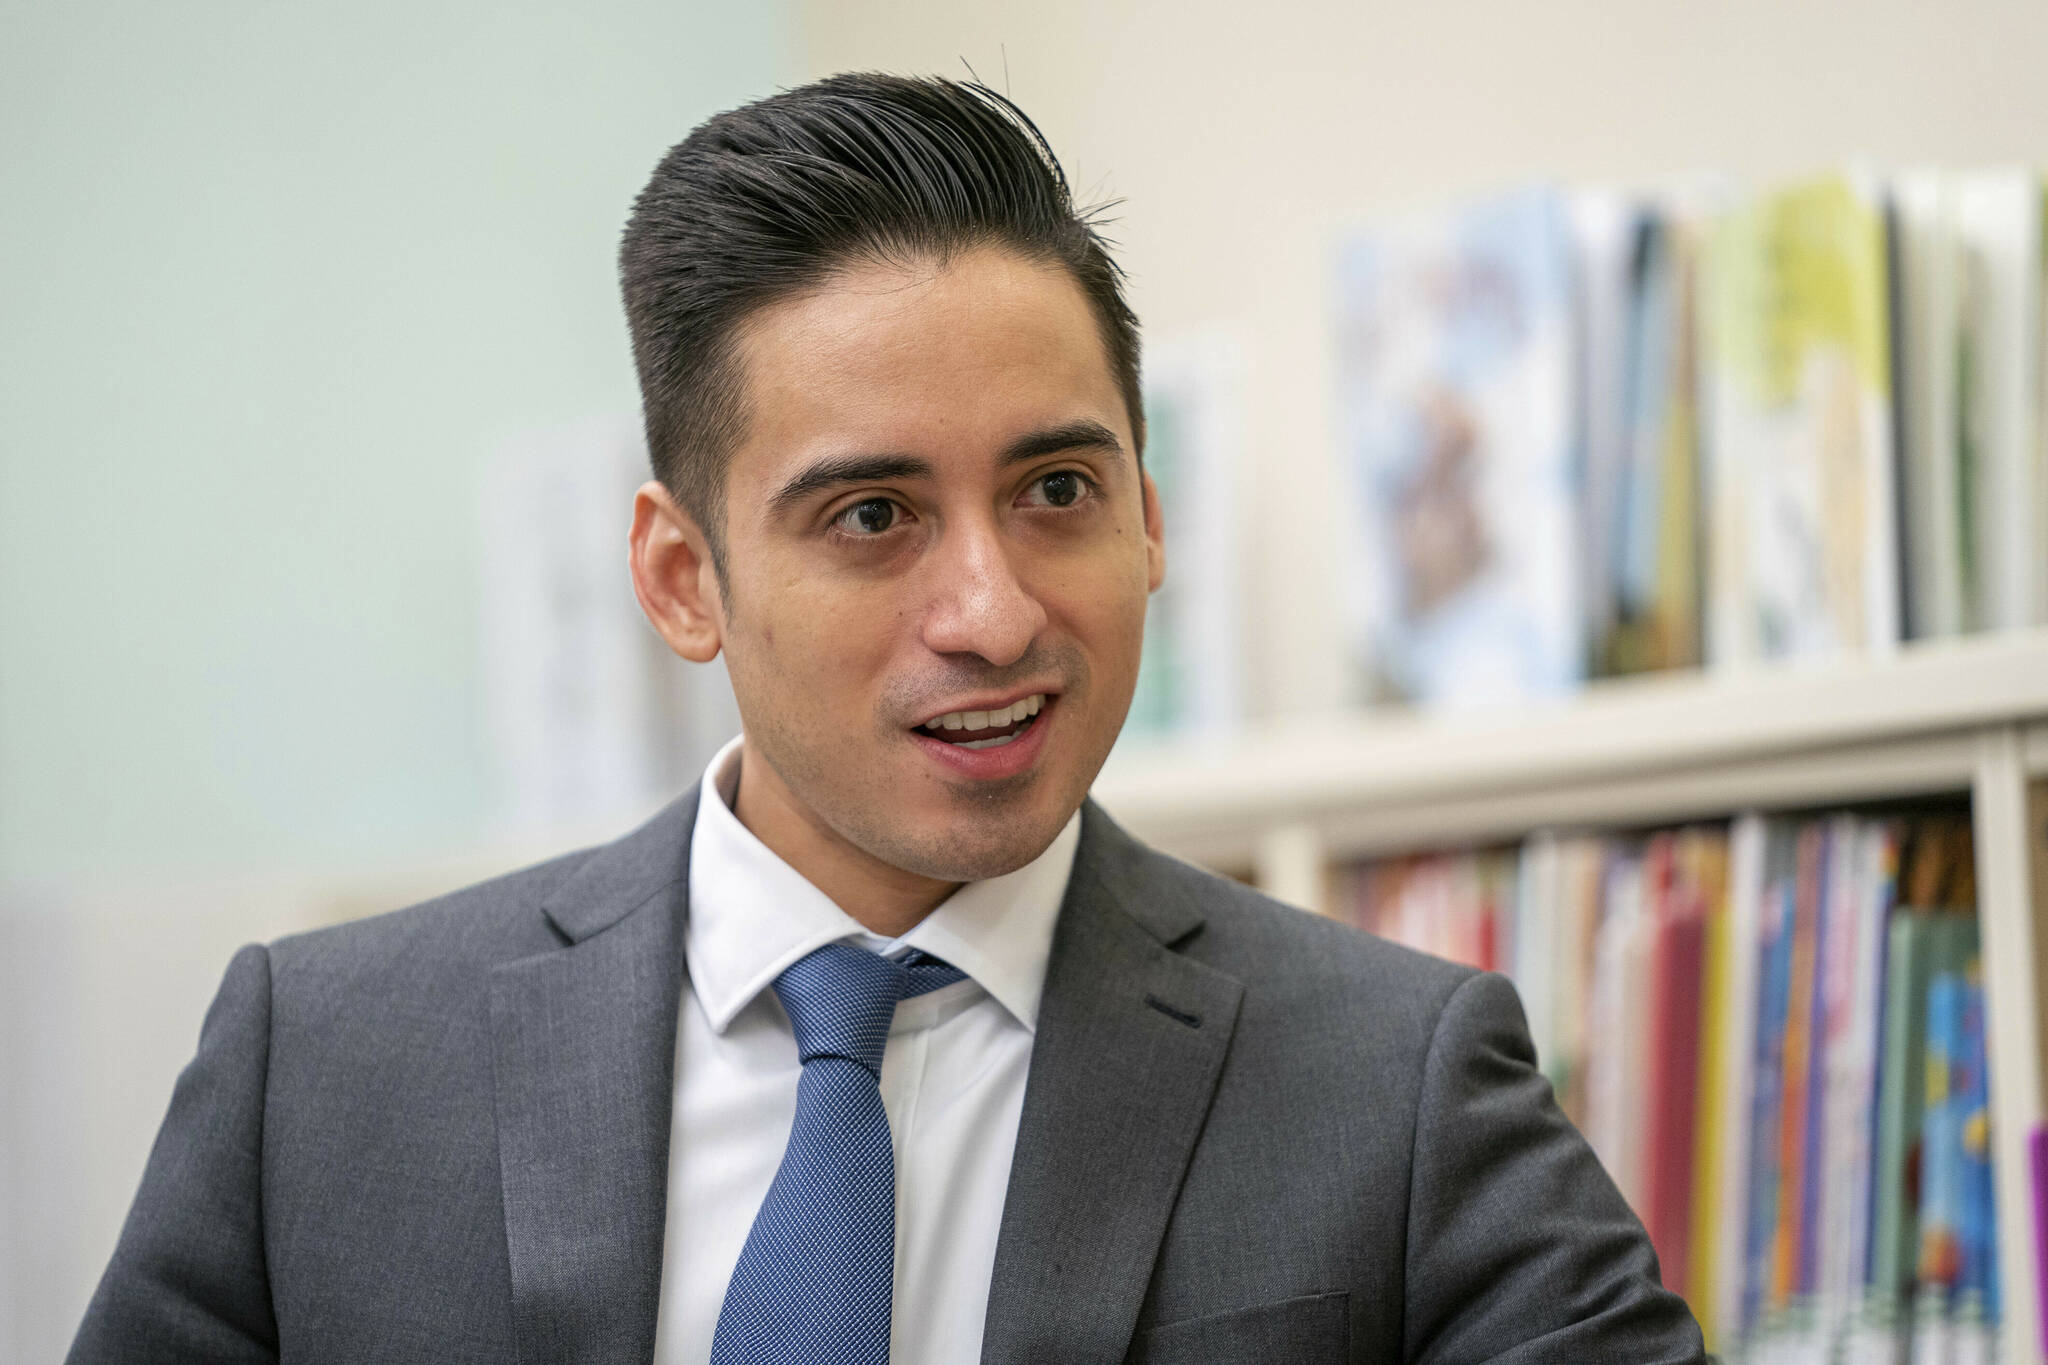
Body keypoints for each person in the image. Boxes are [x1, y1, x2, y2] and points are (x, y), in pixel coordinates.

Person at [69, 73, 1707, 1364]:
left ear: (1151, 514)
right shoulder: (326, 1066)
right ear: (680, 576)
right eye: (871, 517)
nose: (994, 610)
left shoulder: (1397, 1080)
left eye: (1058, 488)